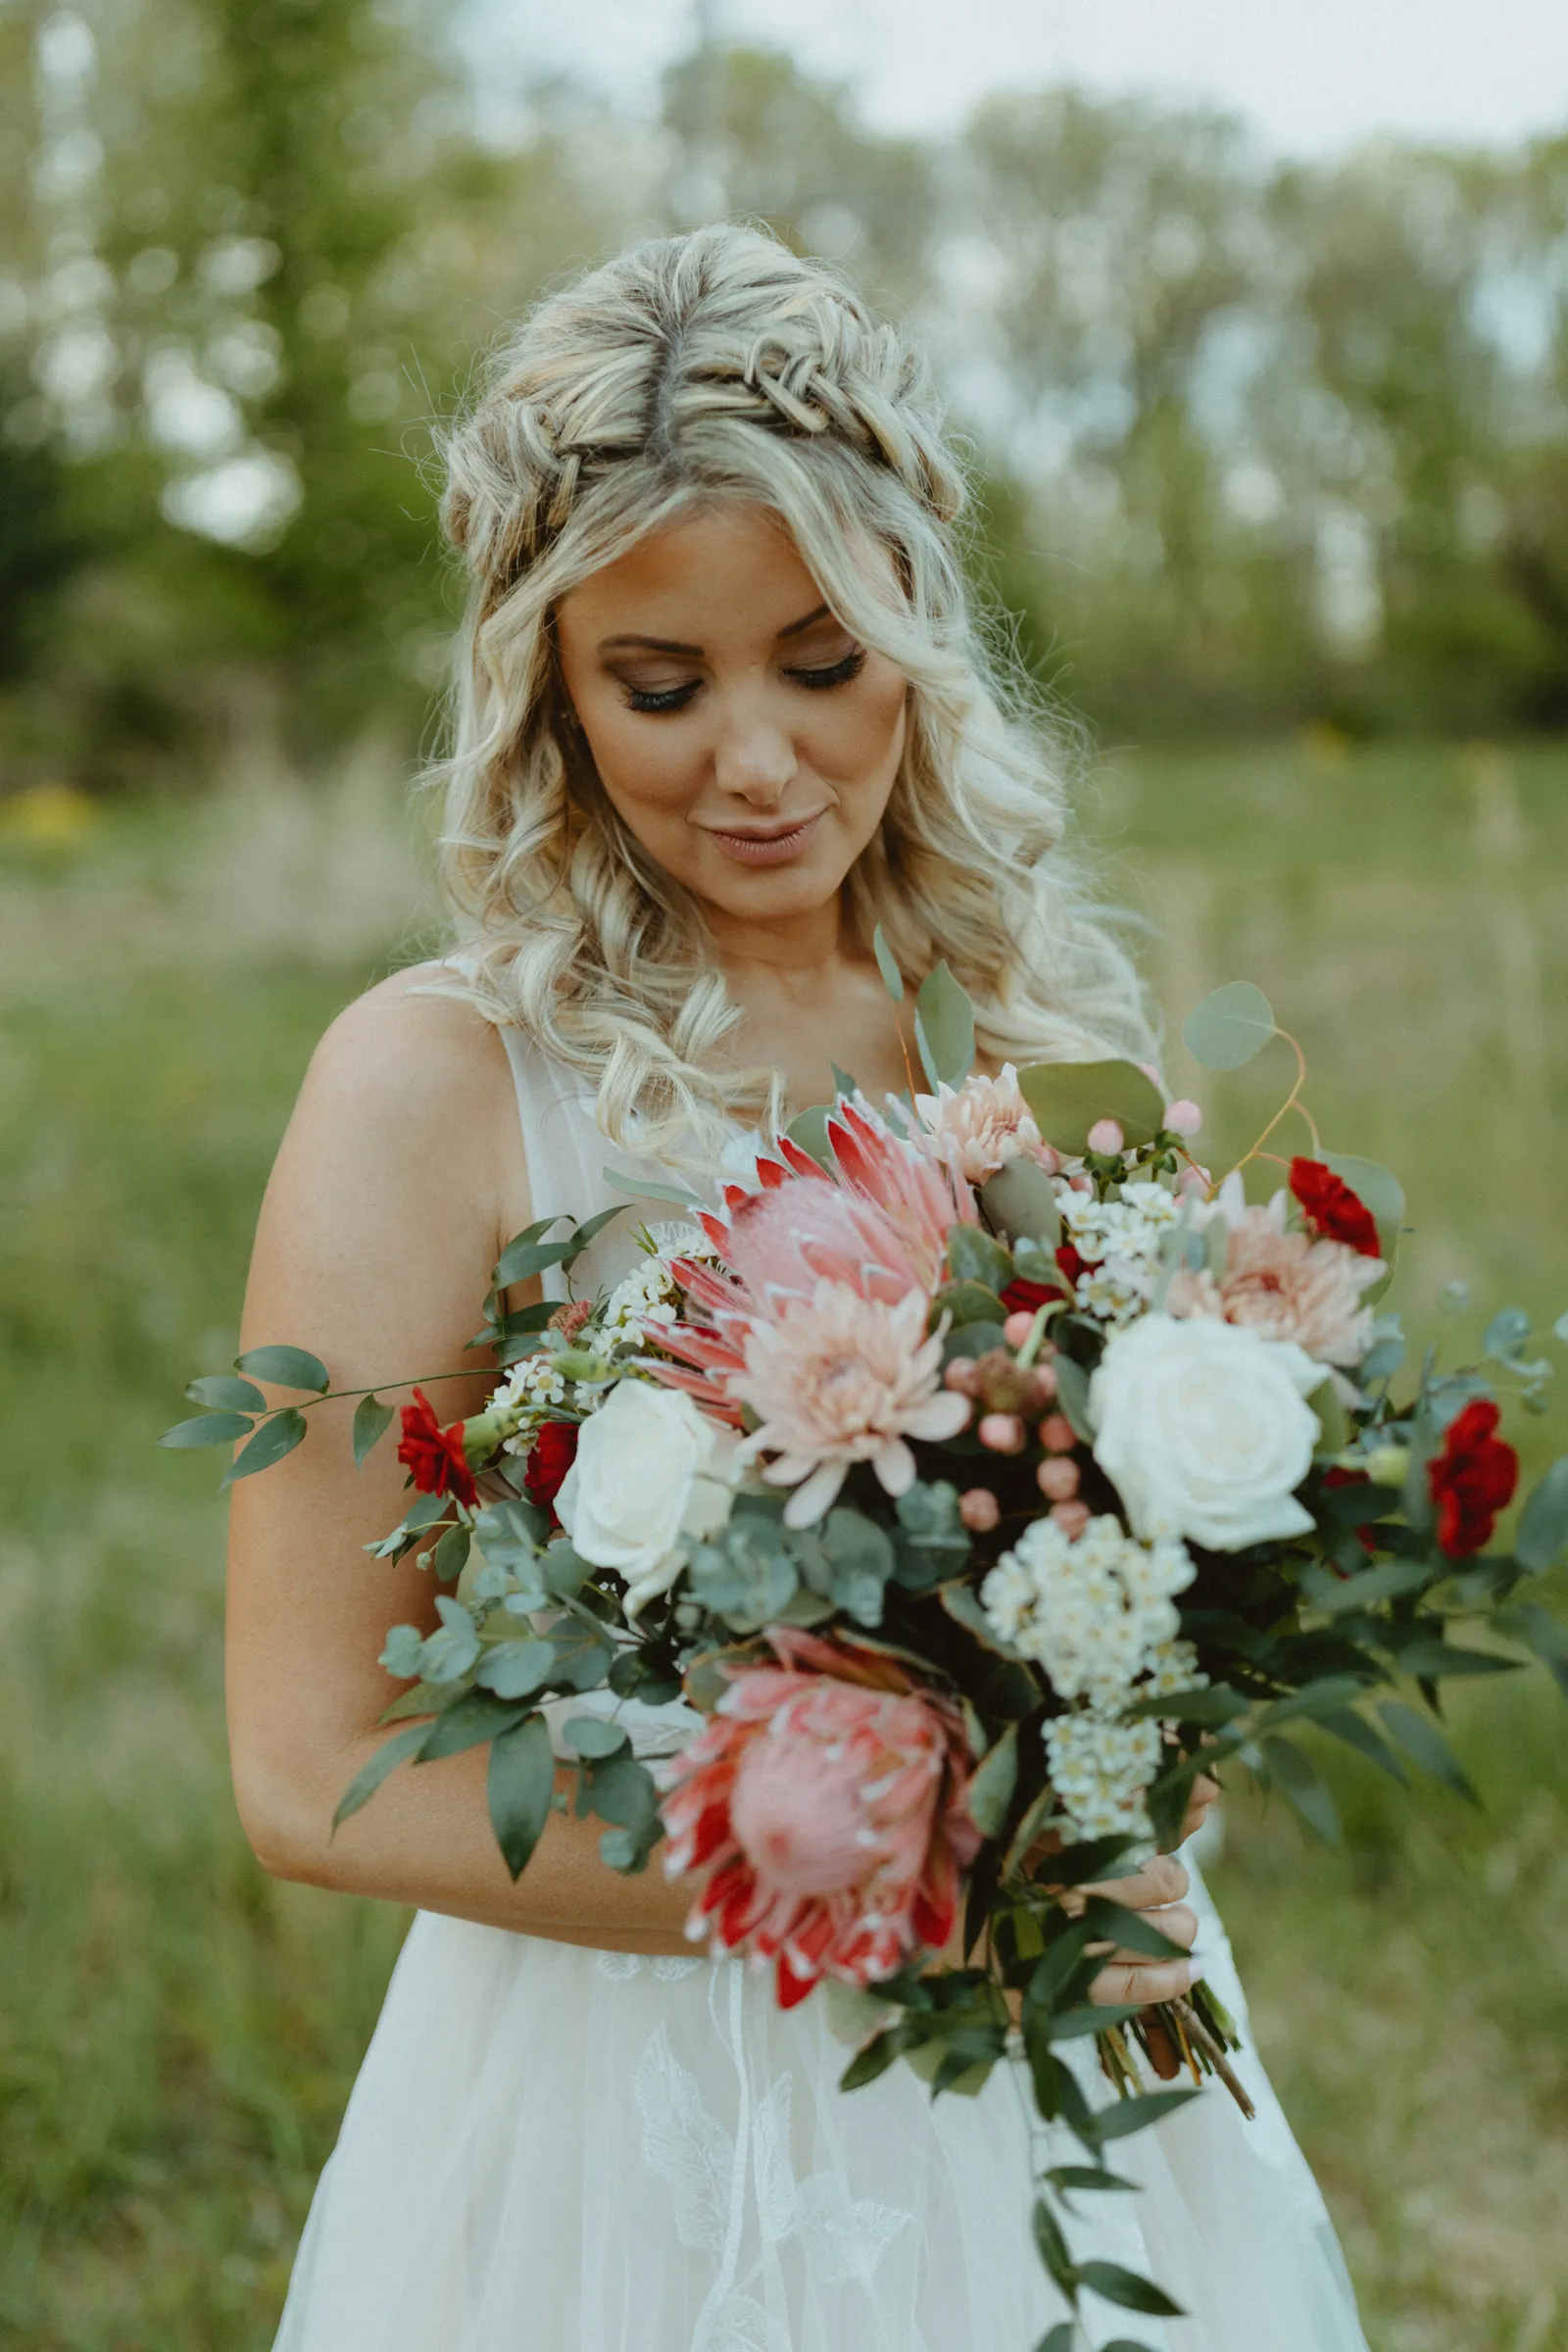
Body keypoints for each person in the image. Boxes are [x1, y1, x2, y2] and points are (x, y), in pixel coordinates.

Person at [227, 223, 1370, 2351]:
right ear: (548, 692)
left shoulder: (1044, 1051)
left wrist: (1139, 1777)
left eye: (817, 663)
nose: (752, 760)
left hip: (1052, 2085)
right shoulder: (434, 1088)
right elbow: (312, 1772)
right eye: (658, 687)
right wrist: (919, 1886)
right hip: (612, 2112)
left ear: (914, 633)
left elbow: (1181, 1622)